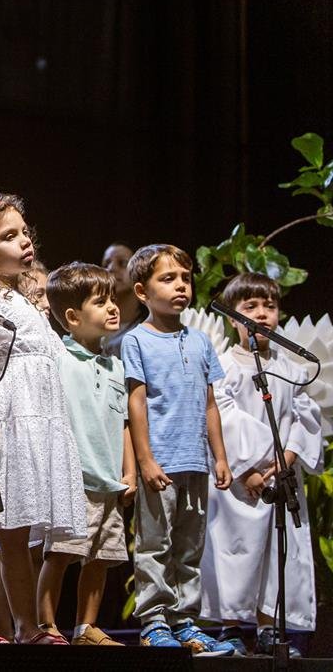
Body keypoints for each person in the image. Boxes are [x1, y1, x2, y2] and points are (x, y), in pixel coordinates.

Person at [0, 193, 86, 645]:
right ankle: (1, 628)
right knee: (1, 529)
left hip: (37, 420)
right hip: (7, 419)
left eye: (25, 232)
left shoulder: (22, 299)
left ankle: (28, 626)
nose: (25, 241)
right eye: (9, 236)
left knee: (19, 531)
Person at [200, 273, 323, 657]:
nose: (261, 314)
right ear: (232, 317)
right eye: (250, 306)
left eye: (269, 306)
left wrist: (288, 456)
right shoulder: (224, 366)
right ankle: (232, 625)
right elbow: (223, 416)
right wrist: (247, 467)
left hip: (280, 477)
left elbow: (304, 415)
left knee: (275, 551)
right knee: (235, 550)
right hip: (239, 479)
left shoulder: (290, 367)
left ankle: (269, 625)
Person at [121, 244, 235, 655]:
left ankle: (185, 621)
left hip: (195, 461)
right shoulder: (136, 340)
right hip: (161, 462)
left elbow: (210, 404)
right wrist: (145, 460)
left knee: (189, 547)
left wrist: (219, 457)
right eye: (167, 279)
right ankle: (154, 621)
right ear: (142, 291)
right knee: (155, 545)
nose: (180, 286)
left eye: (185, 278)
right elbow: (136, 403)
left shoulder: (200, 341)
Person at [37, 262, 136, 645]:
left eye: (112, 299)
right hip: (73, 480)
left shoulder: (116, 366)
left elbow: (123, 422)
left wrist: (129, 472)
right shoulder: (58, 360)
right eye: (100, 301)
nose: (113, 307)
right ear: (73, 317)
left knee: (102, 556)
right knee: (61, 553)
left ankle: (86, 627)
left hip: (108, 480)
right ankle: (46, 624)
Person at [101, 243, 145, 357]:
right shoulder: (91, 326)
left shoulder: (152, 326)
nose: (111, 268)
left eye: (122, 263)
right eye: (106, 264)